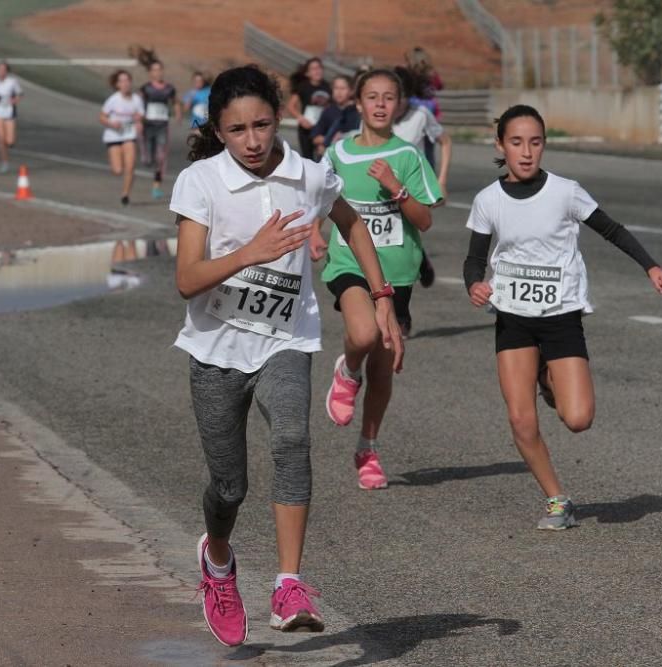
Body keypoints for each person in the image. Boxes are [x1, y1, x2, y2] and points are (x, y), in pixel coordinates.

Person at [171, 64, 403, 647]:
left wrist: (382, 300)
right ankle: (218, 560)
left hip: (285, 340)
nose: (252, 141)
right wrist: (252, 251)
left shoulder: (308, 175)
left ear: (280, 119)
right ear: (218, 132)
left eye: (262, 125)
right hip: (217, 350)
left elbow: (352, 224)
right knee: (229, 488)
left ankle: (288, 582)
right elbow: (187, 279)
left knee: (293, 441)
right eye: (237, 130)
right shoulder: (200, 182)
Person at [463, 105, 662, 529]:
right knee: (521, 418)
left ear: (544, 145)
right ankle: (557, 499)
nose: (526, 152)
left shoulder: (564, 191)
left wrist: (649, 265)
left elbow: (611, 229)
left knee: (578, 419)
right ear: (500, 145)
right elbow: (473, 260)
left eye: (535, 142)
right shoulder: (488, 200)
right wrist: (475, 285)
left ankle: (546, 376)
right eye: (516, 143)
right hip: (514, 317)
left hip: (560, 316)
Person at [310, 68, 442, 490]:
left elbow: (425, 220)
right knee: (364, 334)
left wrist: (396, 189)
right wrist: (314, 232)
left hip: (397, 273)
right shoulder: (337, 155)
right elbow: (315, 199)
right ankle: (348, 370)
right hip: (348, 264)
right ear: (359, 103)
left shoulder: (407, 156)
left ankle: (367, 447)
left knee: (383, 371)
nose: (381, 104)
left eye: (389, 97)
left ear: (399, 105)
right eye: (372, 96)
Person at [392, 65, 454, 292]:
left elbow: (445, 142)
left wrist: (442, 181)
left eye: (399, 98)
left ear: (407, 97)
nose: (392, 104)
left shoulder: (420, 115)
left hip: (411, 185)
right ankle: (421, 259)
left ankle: (416, 265)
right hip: (380, 185)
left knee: (405, 236)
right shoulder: (375, 116)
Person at [136, 51, 181, 199]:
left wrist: (178, 114)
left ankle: (156, 186)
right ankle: (146, 157)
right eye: (154, 70)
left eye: (160, 70)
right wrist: (139, 121)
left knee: (161, 156)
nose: (158, 73)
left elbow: (175, 102)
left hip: (162, 125)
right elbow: (138, 105)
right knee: (149, 159)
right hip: (148, 125)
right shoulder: (145, 89)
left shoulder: (169, 88)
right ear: (150, 73)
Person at [100, 69, 143, 206]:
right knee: (118, 170)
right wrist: (111, 123)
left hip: (129, 135)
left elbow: (141, 115)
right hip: (113, 136)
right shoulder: (113, 100)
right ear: (117, 84)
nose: (125, 84)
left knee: (130, 166)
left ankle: (125, 194)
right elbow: (102, 117)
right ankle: (119, 167)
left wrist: (139, 121)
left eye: (127, 80)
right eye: (122, 81)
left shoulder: (137, 99)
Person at [404, 47, 444, 170]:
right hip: (430, 108)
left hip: (414, 109)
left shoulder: (409, 73)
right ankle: (429, 170)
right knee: (429, 143)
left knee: (413, 141)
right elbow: (440, 86)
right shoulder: (431, 73)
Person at [287, 57, 331, 161]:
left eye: (319, 68)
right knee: (308, 160)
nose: (317, 71)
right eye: (313, 69)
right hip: (306, 129)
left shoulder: (328, 86)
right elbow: (291, 106)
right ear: (307, 73)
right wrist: (301, 119)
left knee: (324, 159)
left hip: (322, 130)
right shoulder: (303, 87)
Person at [310, 74, 360, 160]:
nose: (338, 92)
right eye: (336, 88)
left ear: (351, 91)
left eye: (343, 88)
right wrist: (328, 140)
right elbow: (315, 137)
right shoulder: (329, 111)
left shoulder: (357, 111)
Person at [0, 61, 23, 174]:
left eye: (4, 70)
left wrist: (14, 100)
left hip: (9, 112)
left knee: (10, 140)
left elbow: (19, 94)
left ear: (7, 71)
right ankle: (5, 163)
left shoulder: (12, 82)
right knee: (1, 139)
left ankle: (10, 143)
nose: (1, 72)